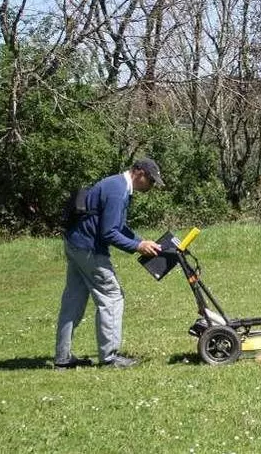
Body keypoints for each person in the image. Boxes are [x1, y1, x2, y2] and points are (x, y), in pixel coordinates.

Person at [54, 158, 165, 370]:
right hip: (89, 249)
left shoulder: (116, 184)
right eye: (151, 180)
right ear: (139, 172)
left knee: (73, 302)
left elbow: (117, 226)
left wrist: (141, 240)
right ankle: (109, 358)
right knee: (112, 297)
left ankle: (62, 358)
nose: (151, 186)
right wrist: (138, 246)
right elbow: (109, 233)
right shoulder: (118, 191)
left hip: (75, 244)